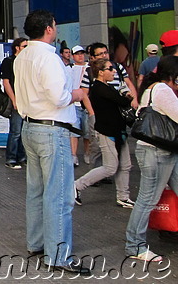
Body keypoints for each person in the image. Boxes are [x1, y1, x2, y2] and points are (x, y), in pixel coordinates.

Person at [14, 9, 88, 275]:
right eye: (55, 25)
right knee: (59, 194)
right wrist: (77, 94)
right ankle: (58, 255)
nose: (56, 29)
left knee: (36, 190)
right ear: (48, 28)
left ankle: (37, 243)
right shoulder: (49, 58)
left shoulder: (22, 57)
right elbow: (58, 96)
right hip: (51, 129)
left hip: (30, 126)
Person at [124, 56, 178, 262]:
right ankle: (134, 245)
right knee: (147, 200)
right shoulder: (163, 90)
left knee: (148, 198)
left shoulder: (153, 88)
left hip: (163, 152)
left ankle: (134, 244)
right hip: (157, 153)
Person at [73, 58, 134, 208]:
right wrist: (126, 97)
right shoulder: (99, 88)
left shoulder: (107, 87)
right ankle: (76, 186)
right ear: (101, 73)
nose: (113, 71)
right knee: (110, 167)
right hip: (107, 132)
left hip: (118, 131)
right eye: (110, 68)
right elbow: (123, 101)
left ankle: (123, 196)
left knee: (125, 165)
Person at [0, 37, 28, 169]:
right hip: (17, 98)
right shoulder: (9, 61)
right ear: (17, 47)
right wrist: (14, 99)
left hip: (26, 99)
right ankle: (11, 158)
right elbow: (6, 82)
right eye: (24, 46)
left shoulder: (26, 62)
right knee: (16, 130)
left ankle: (21, 156)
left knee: (23, 130)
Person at [68, 46, 93, 166]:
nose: (80, 56)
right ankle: (73, 155)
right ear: (73, 56)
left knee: (87, 131)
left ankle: (87, 153)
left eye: (82, 53)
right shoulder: (69, 68)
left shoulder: (90, 68)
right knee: (74, 131)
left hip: (86, 104)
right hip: (74, 104)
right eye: (77, 54)